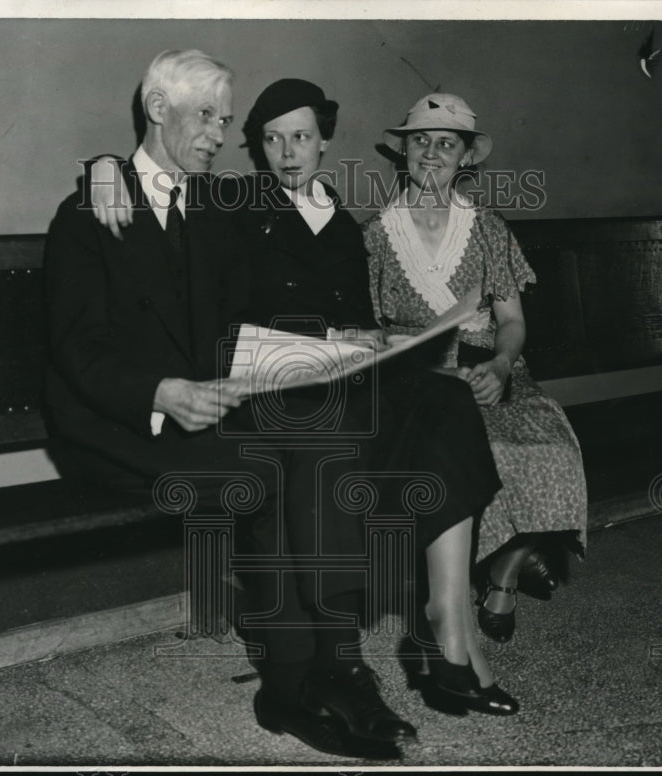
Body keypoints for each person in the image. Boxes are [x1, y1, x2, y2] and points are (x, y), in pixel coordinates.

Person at [90, 78, 520, 723]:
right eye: (272, 138)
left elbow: (358, 316)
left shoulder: (346, 226)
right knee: (341, 430)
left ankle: (447, 624)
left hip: (343, 375)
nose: (288, 152)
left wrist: (373, 339)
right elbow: (155, 189)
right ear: (257, 149)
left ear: (324, 143)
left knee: (446, 400)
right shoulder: (233, 203)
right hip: (272, 383)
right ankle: (344, 659)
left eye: (301, 136)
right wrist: (102, 169)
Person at [44, 50, 405, 760]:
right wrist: (159, 394)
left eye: (226, 120)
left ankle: (339, 663)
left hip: (210, 403)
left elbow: (269, 282)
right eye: (205, 117)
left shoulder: (214, 204)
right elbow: (77, 350)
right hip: (122, 420)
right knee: (264, 472)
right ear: (157, 109)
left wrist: (336, 341)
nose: (219, 134)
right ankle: (290, 686)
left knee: (320, 437)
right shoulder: (90, 208)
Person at [362, 93, 589, 643]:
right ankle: (487, 571)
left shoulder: (487, 228)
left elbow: (512, 321)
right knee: (475, 454)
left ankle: (503, 576)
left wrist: (504, 365)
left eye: (447, 143)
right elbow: (367, 334)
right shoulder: (375, 235)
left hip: (491, 372)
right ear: (405, 152)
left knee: (548, 450)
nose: (433, 152)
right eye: (422, 140)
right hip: (418, 379)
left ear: (466, 157)